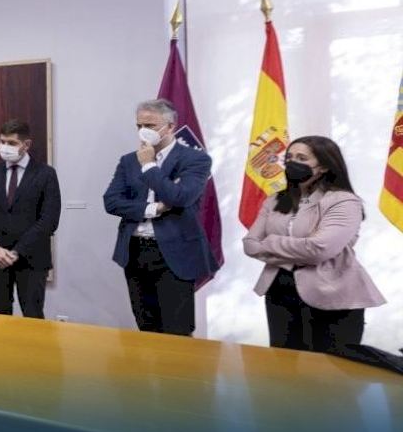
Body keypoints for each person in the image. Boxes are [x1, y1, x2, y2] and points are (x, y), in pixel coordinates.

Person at [243, 136, 385, 353]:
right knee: (284, 365)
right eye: (289, 158)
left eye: (302, 158)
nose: (293, 163)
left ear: (324, 166)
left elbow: (320, 250)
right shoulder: (274, 200)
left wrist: (271, 242)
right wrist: (300, 248)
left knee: (330, 369)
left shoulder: (343, 201)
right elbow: (250, 244)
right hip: (279, 290)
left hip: (333, 293)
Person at [103, 99, 216, 336]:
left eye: (150, 126)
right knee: (146, 325)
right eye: (139, 126)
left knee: (176, 330)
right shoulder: (128, 161)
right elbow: (111, 202)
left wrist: (149, 166)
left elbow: (180, 197)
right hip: (135, 251)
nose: (143, 131)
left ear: (170, 126)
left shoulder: (196, 159)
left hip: (175, 253)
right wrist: (153, 208)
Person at [0, 119, 61, 318]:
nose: (5, 147)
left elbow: (49, 220)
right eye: (2, 142)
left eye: (12, 143)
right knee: (0, 315)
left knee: (32, 317)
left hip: (31, 259)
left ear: (26, 144)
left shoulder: (45, 174)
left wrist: (16, 252)